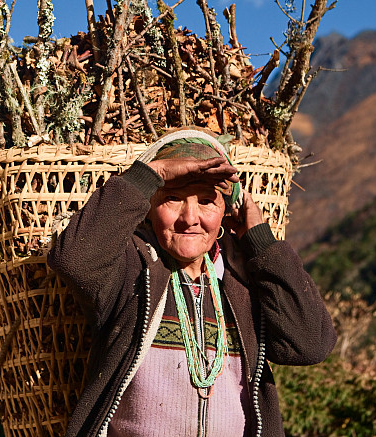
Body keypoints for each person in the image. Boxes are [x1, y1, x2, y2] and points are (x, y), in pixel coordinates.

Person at [48, 129, 337, 437]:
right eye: (172, 198)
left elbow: (310, 345)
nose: (190, 218)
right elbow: (75, 260)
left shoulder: (242, 282)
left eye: (206, 201)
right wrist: (152, 173)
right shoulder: (132, 270)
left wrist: (260, 239)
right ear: (150, 208)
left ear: (226, 211)